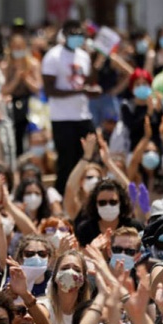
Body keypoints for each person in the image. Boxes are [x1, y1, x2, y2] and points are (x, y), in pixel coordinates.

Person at [42, 19, 101, 194]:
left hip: (82, 115)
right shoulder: (53, 56)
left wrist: (92, 88)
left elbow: (88, 80)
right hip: (62, 117)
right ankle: (62, 196)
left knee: (89, 157)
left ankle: (85, 195)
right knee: (67, 162)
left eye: (80, 34)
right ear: (65, 35)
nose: (78, 38)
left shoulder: (83, 55)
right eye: (74, 34)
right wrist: (80, 91)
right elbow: (50, 89)